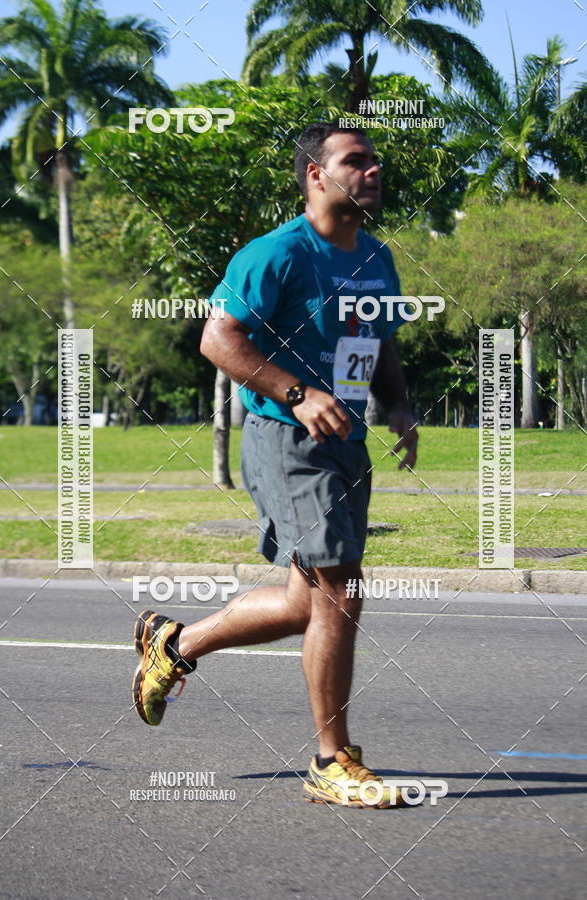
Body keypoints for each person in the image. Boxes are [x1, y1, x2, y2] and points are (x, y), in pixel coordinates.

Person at [132, 122, 418, 808]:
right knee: (341, 591)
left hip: (346, 441)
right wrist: (297, 393)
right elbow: (218, 340)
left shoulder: (376, 256)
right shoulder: (276, 254)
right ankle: (331, 759)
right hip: (287, 439)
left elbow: (379, 342)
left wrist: (400, 408)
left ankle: (173, 643)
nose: (373, 169)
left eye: (374, 159)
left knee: (304, 604)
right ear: (317, 174)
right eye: (356, 159)